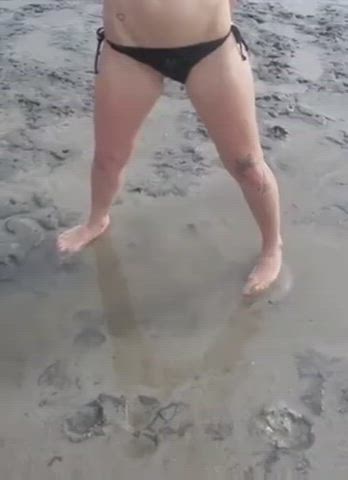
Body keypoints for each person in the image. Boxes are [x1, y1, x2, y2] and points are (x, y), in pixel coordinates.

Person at [57, 0, 282, 296]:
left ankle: (271, 246)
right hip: (127, 50)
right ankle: (96, 221)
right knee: (109, 158)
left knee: (248, 165)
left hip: (211, 48)